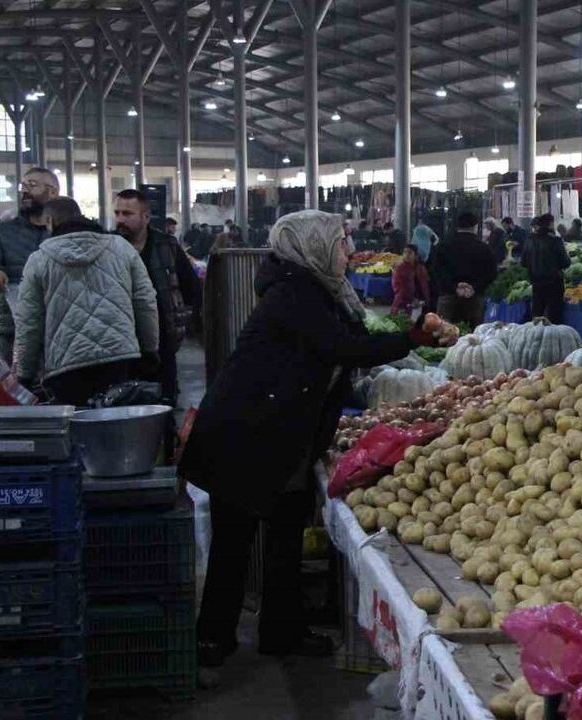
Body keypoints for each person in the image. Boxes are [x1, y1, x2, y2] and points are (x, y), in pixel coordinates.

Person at [179, 210, 457, 668]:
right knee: (235, 539)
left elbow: (354, 335)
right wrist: (411, 337)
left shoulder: (322, 290)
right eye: (340, 242)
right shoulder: (294, 294)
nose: (348, 251)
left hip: (282, 432)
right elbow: (345, 347)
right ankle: (212, 638)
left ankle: (280, 632)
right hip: (247, 432)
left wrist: (408, 331)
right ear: (312, 247)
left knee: (285, 531)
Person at [13, 198, 159, 406]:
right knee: (118, 427)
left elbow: (28, 321)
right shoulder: (122, 248)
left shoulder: (39, 260)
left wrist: (24, 374)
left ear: (50, 221)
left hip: (65, 367)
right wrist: (150, 350)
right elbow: (145, 302)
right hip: (120, 358)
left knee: (77, 430)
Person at [114, 189, 203, 405]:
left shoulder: (167, 245)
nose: (120, 219)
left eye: (127, 214)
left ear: (145, 217)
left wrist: (184, 319)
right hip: (122, 339)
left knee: (164, 402)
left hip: (163, 337)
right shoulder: (110, 246)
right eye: (117, 213)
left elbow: (190, 286)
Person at [0, 167, 59, 358]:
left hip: (59, 332)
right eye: (23, 186)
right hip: (13, 333)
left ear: (53, 192)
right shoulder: (3, 231)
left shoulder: (65, 230)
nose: (25, 190)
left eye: (33, 185)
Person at [430, 212, 498, 326]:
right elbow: (491, 273)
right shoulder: (483, 247)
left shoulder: (444, 245)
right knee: (473, 337)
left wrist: (454, 287)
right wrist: (473, 288)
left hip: (448, 296)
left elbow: (436, 271)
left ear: (457, 226)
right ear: (475, 226)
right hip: (475, 298)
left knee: (444, 334)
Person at [521, 213, 571, 324]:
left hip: (536, 282)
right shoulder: (555, 240)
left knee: (537, 314)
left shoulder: (529, 240)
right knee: (553, 316)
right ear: (551, 224)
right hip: (554, 283)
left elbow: (523, 262)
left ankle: (536, 338)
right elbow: (566, 262)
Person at [391, 245, 431, 315]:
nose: (407, 255)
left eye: (410, 253)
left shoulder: (421, 268)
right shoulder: (400, 268)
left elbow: (425, 285)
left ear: (416, 255)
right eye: (405, 252)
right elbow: (398, 287)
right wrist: (412, 299)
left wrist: (423, 299)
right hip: (402, 302)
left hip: (420, 303)